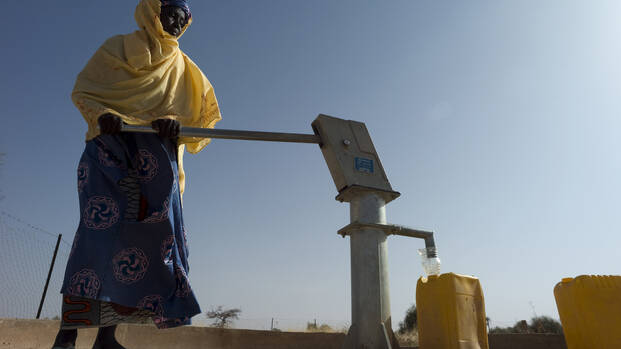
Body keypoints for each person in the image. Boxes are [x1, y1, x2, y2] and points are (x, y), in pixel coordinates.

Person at [51, 0, 221, 348]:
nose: (176, 21)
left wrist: (177, 127)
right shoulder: (118, 49)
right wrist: (104, 114)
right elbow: (83, 92)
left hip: (156, 165)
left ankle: (106, 338)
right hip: (110, 154)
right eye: (171, 12)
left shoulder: (187, 71)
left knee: (142, 249)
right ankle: (67, 334)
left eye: (184, 18)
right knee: (96, 240)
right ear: (153, 11)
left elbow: (202, 127)